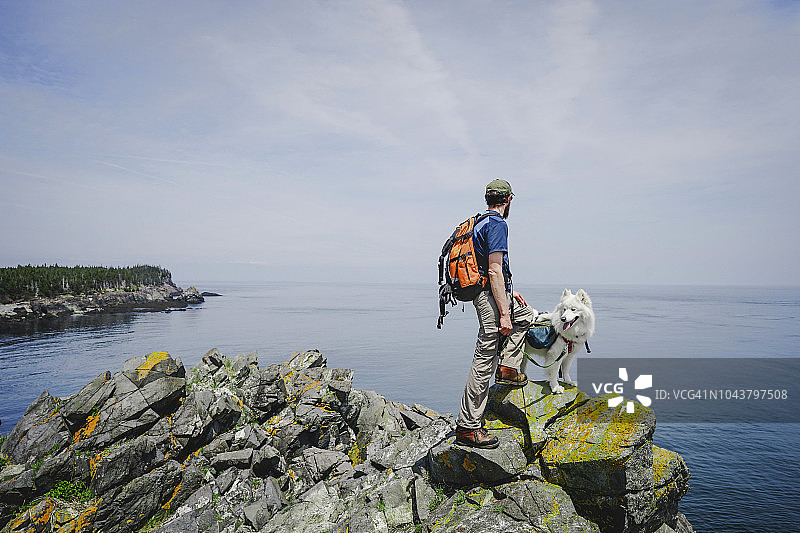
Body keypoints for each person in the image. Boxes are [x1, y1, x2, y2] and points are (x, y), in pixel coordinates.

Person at [455, 179, 534, 449]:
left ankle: (508, 368)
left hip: (485, 291)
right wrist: (503, 314)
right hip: (487, 296)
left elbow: (487, 266)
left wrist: (511, 296)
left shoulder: (479, 222)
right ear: (509, 200)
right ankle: (468, 427)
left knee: (524, 315)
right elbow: (493, 270)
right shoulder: (498, 224)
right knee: (484, 358)